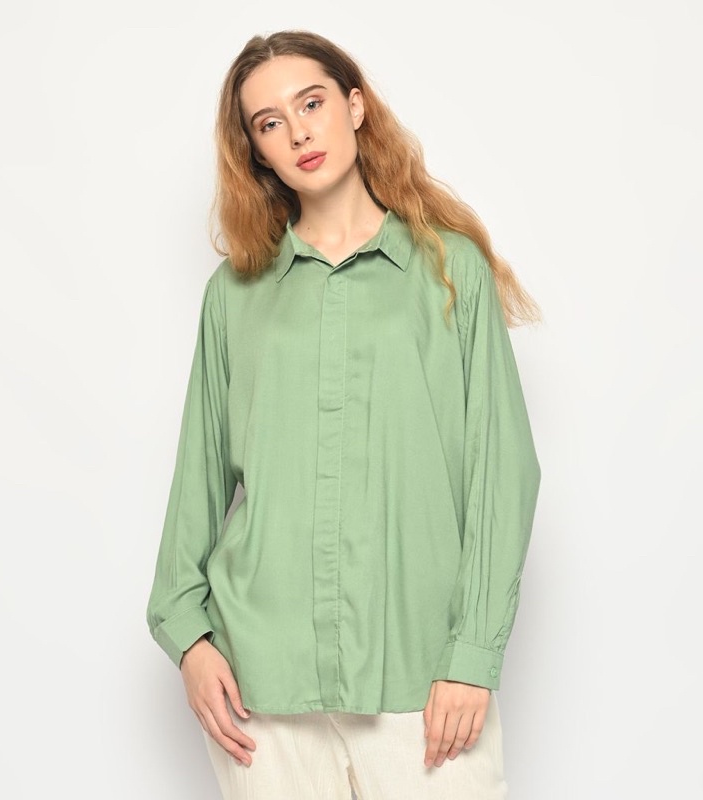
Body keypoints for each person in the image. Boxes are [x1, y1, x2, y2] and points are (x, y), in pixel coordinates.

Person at [146, 29, 542, 800]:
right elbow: (198, 475)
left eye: (312, 103)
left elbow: (504, 472)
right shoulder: (235, 294)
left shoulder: (448, 268)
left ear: (355, 106)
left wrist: (473, 655)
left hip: (422, 677)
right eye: (269, 122)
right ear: (257, 151)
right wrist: (188, 637)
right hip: (262, 683)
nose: (297, 132)